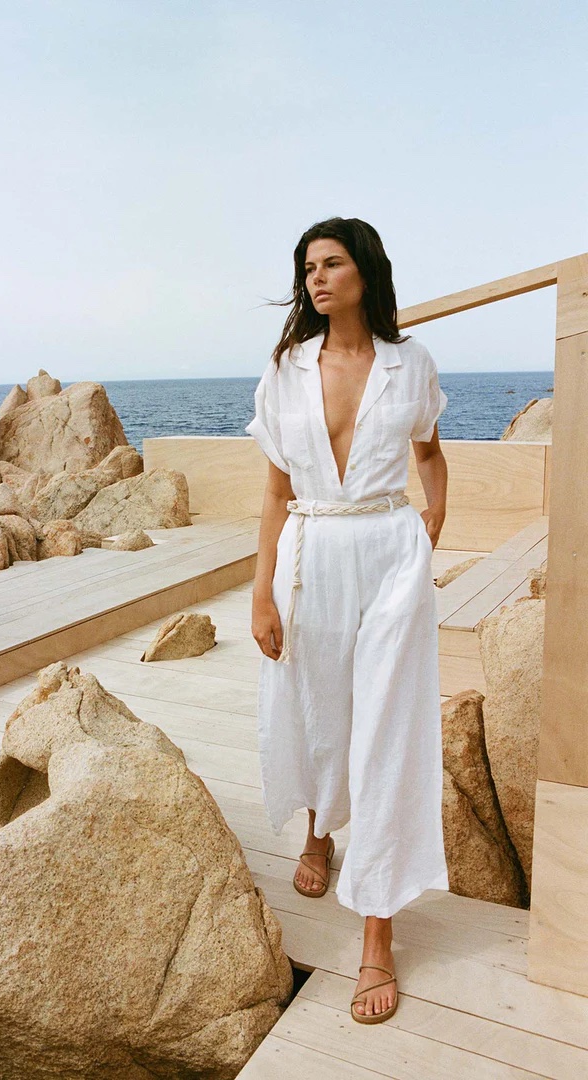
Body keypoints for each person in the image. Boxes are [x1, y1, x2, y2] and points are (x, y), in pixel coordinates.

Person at [245, 217, 450, 1024]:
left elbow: (429, 451)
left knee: (389, 732)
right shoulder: (286, 370)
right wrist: (262, 592)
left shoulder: (412, 365)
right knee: (317, 709)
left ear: (364, 271)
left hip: (390, 554)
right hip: (311, 551)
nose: (317, 279)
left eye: (331, 264)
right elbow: (271, 491)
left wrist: (432, 520)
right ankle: (319, 831)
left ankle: (377, 933)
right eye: (307, 268)